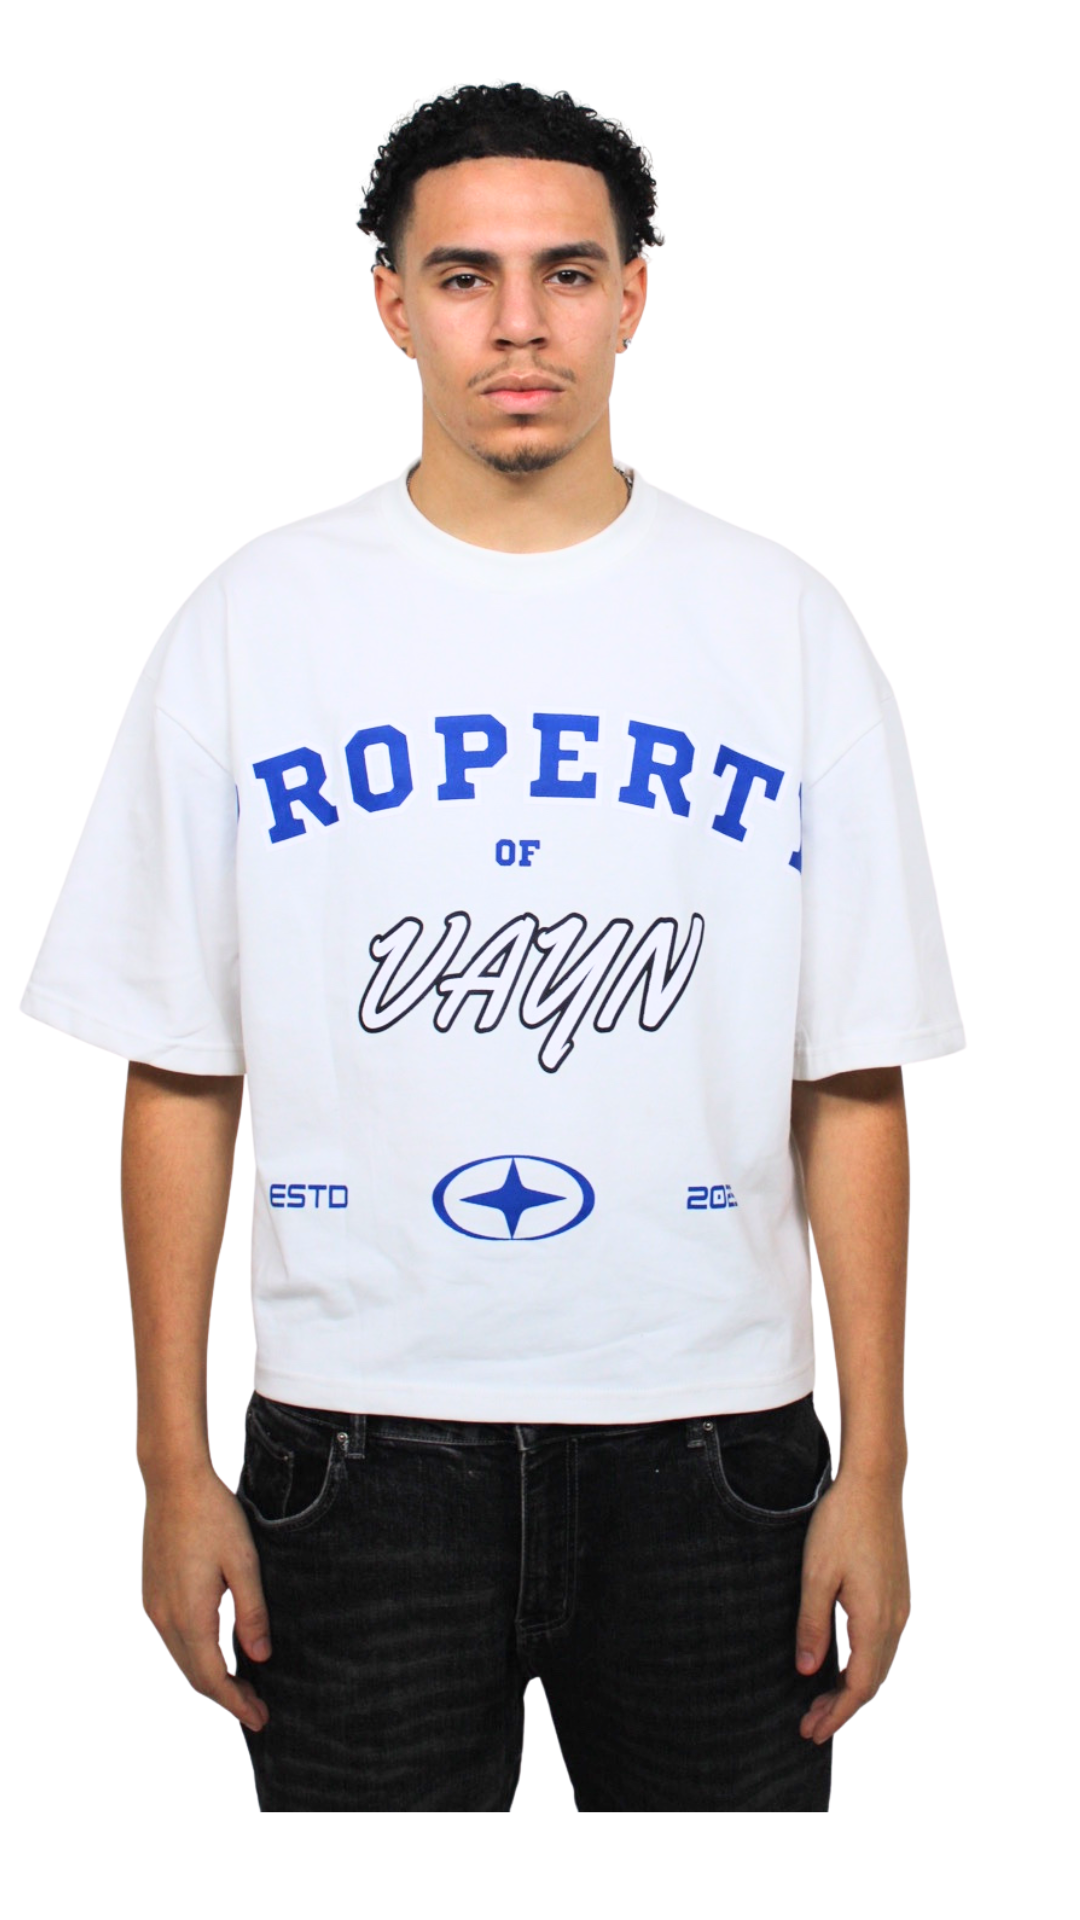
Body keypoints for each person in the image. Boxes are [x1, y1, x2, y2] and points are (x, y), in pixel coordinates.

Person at [18, 80, 965, 1812]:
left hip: (717, 1449)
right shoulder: (254, 622)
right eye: (466, 277)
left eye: (566, 273)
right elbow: (181, 1069)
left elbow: (850, 1076)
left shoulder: (781, 625)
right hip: (353, 1447)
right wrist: (169, 1465)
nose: (519, 324)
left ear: (634, 295)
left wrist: (880, 1469)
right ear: (393, 302)